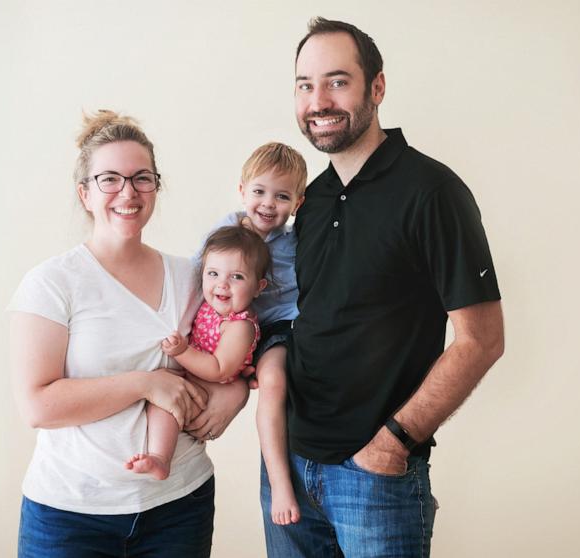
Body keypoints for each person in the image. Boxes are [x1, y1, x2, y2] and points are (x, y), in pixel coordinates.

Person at [262, 18, 506, 557]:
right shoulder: (308, 201)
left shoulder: (432, 192)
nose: (318, 100)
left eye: (337, 81)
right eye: (305, 84)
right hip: (289, 470)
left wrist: (394, 442)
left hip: (374, 476)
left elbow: (482, 339)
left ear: (377, 87)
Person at [8, 110, 249, 558]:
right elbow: (37, 405)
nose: (128, 192)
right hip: (70, 514)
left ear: (157, 187)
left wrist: (236, 393)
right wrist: (146, 383)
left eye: (142, 178)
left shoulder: (194, 277)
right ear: (85, 193)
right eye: (110, 179)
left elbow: (249, 338)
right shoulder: (52, 283)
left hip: (180, 504)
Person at [201, 142, 308, 525]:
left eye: (281, 196)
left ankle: (280, 483)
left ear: (298, 201)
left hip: (277, 327)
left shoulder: (295, 242)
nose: (267, 203)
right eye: (259, 191)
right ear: (242, 189)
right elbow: (204, 279)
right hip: (234, 326)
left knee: (274, 381)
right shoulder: (225, 232)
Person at [127, 225, 269, 480]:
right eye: (213, 273)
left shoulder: (240, 326)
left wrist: (182, 352)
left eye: (236, 277)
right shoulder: (209, 307)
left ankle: (161, 457)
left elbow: (219, 369)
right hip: (195, 378)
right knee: (163, 398)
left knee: (166, 404)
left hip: (209, 387)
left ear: (259, 287)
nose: (222, 284)